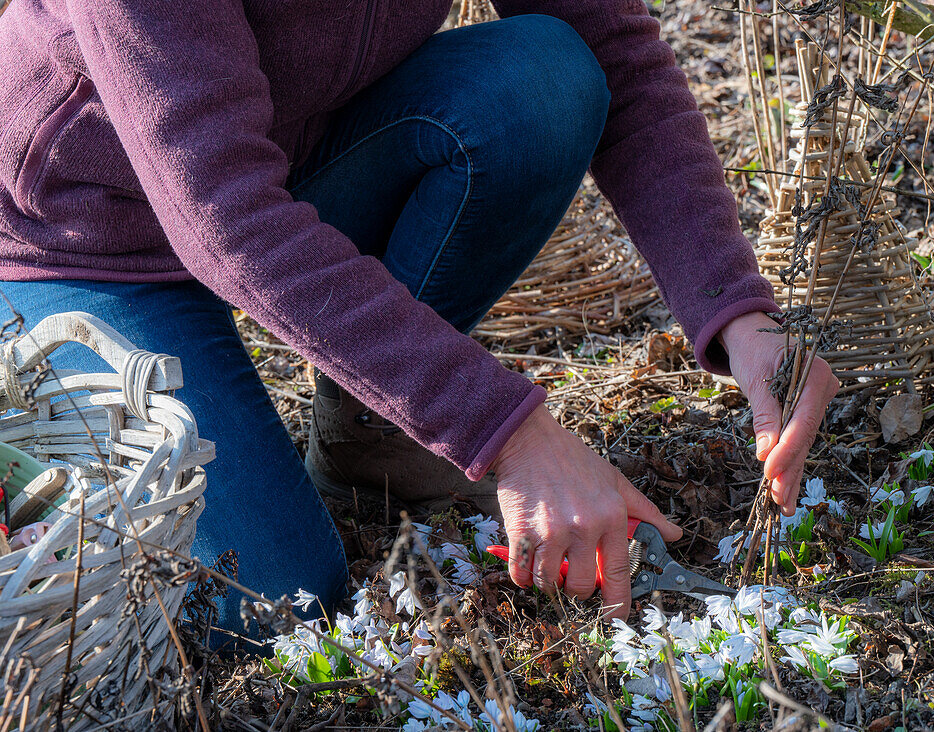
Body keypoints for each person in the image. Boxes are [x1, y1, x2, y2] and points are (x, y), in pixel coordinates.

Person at [0, 0, 838, 642]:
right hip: (77, 231)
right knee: (269, 598)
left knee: (540, 79)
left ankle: (369, 439)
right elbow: (223, 212)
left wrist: (738, 313)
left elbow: (619, 59)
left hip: (299, 161)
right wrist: (510, 433)